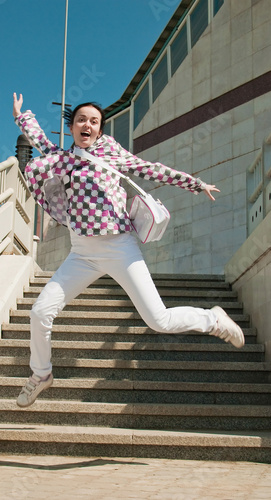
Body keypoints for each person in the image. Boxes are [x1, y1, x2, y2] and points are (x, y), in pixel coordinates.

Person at [12, 92, 245, 408]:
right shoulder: (63, 159)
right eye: (81, 119)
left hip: (120, 245)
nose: (87, 125)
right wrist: (22, 117)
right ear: (72, 128)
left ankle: (212, 319)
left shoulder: (110, 152)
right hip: (81, 252)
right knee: (40, 312)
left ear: (100, 129)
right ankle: (41, 374)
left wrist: (194, 183)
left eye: (94, 121)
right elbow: (40, 142)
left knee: (158, 320)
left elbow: (150, 169)